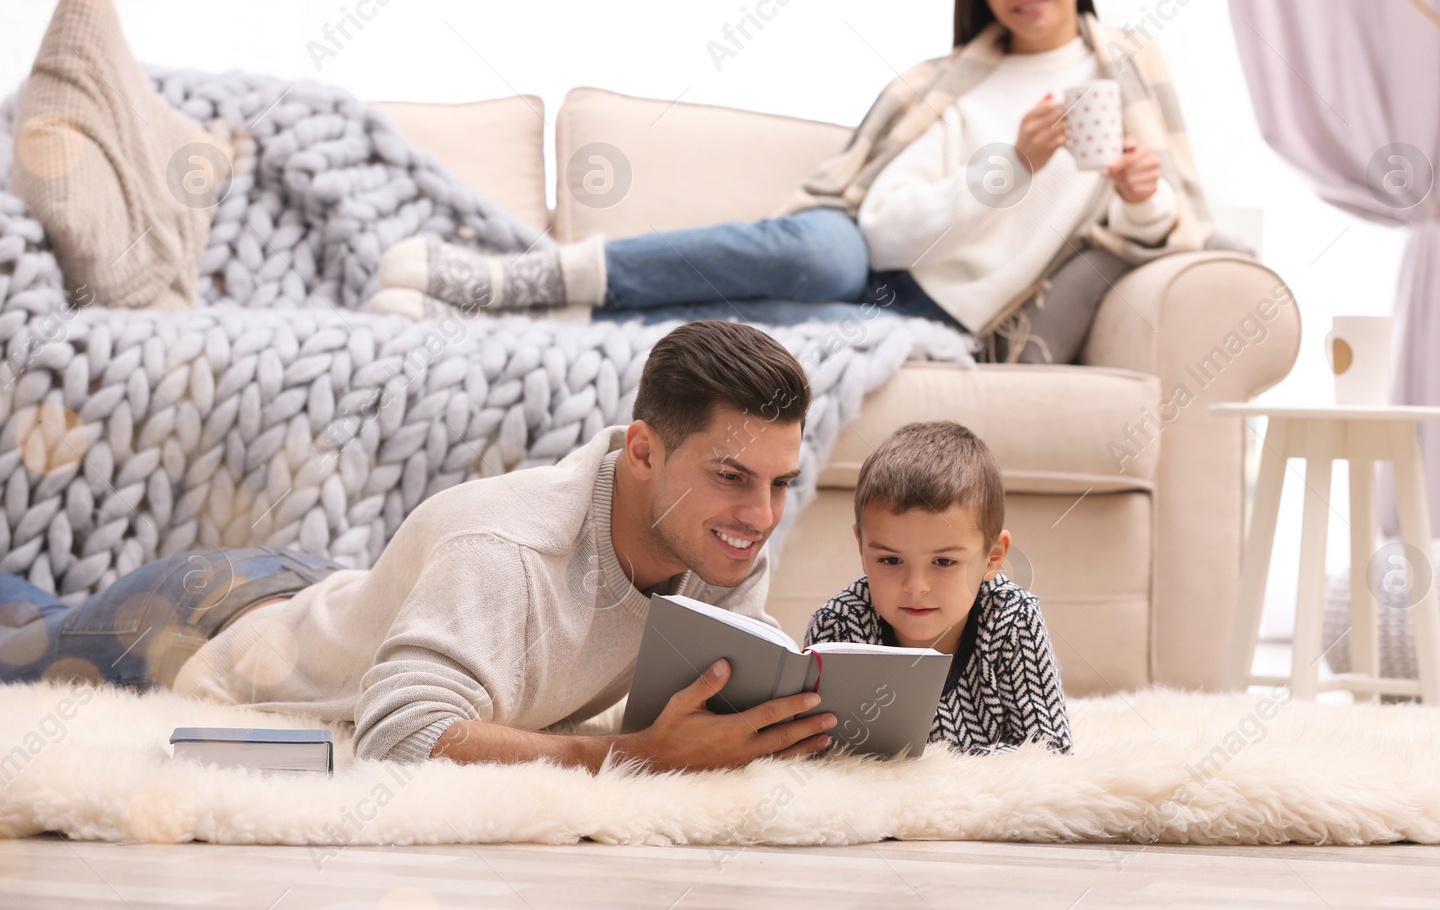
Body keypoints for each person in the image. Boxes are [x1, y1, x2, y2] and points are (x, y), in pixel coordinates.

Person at [369, 0, 1210, 355]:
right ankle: (530, 274)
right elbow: (880, 234)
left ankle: (487, 318)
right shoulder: (948, 87)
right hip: (868, 261)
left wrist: (1140, 192)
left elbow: (1153, 229)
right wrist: (1011, 166)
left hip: (934, 323)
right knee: (821, 247)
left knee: (756, 326)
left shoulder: (1128, 77)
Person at [0, 320, 838, 771]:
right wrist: (638, 758)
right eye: (733, 476)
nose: (761, 516)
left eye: (780, 482)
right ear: (646, 450)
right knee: (23, 637)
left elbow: (691, 710)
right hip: (213, 616)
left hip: (350, 594)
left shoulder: (724, 543)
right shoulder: (505, 546)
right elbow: (399, 734)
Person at [803, 420, 1072, 754]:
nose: (916, 587)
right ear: (861, 546)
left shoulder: (1013, 618)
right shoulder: (839, 625)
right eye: (890, 560)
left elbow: (1051, 752)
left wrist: (932, 770)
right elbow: (815, 754)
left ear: (993, 557)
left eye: (944, 562)